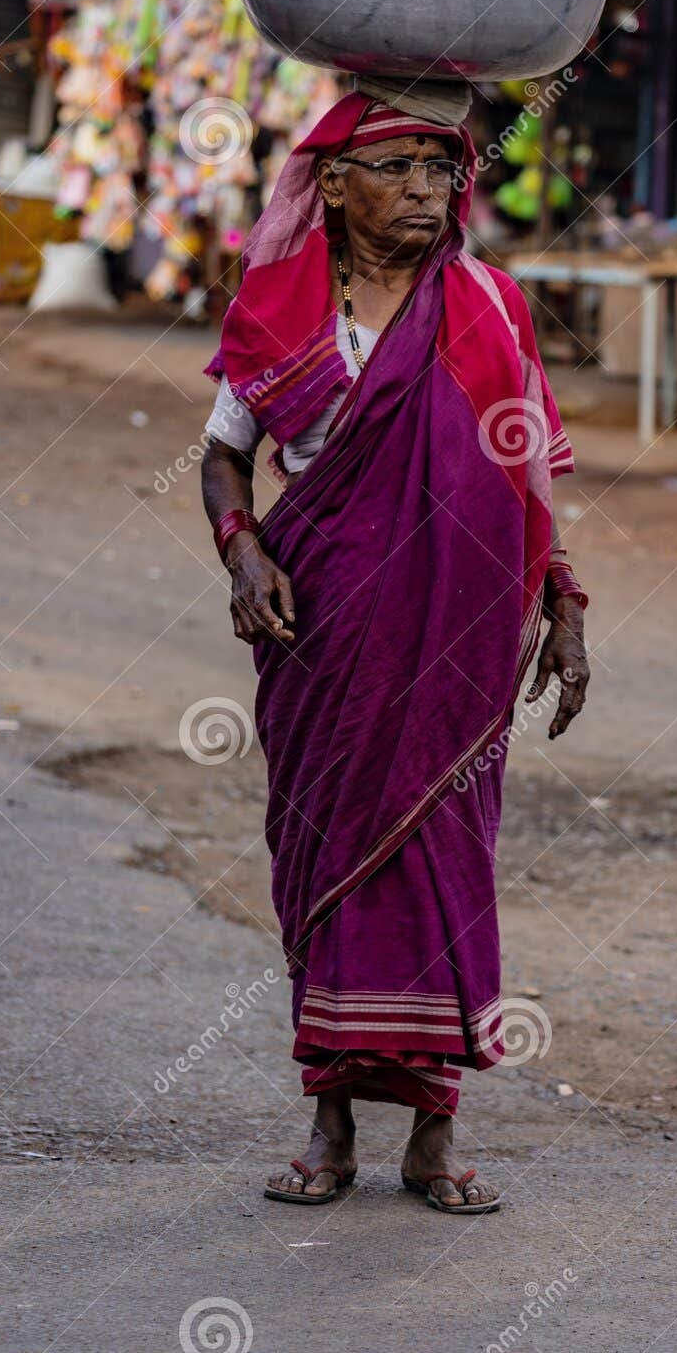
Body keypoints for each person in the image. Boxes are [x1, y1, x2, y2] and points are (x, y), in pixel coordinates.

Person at [201, 91, 589, 1214]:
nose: (429, 189)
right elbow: (226, 458)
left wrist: (563, 602)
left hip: (461, 642)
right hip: (320, 634)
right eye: (400, 168)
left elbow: (530, 481)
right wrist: (241, 553)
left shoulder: (491, 307)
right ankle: (328, 1123)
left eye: (441, 168)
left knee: (443, 863)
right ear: (329, 183)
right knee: (325, 861)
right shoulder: (279, 309)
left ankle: (432, 1130)